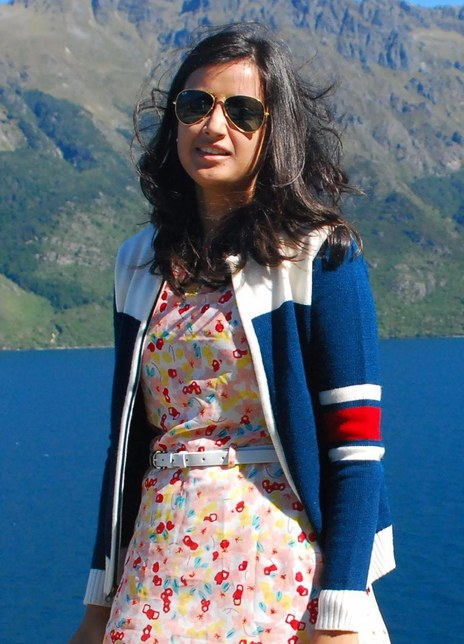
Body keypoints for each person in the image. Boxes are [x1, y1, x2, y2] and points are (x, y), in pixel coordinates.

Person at [69, 23, 395, 644]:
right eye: (196, 105)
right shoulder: (138, 263)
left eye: (242, 111)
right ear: (174, 120)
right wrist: (99, 604)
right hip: (155, 564)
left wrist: (339, 613)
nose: (214, 127)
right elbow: (126, 446)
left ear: (275, 131)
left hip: (277, 569)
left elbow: (356, 451)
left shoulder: (321, 256)